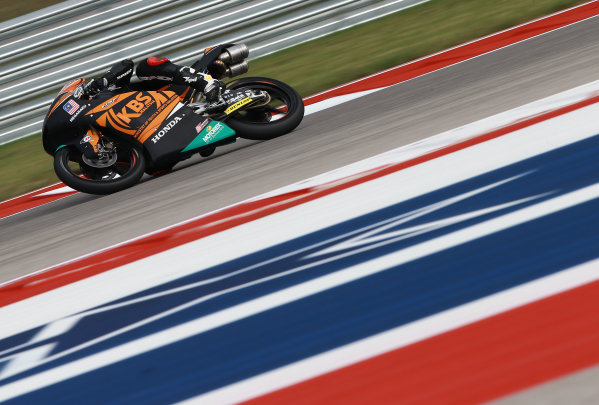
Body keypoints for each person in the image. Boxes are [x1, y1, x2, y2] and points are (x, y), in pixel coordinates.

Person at [81, 57, 225, 102]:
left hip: (169, 89)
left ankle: (205, 81)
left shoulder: (111, 91)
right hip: (163, 122)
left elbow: (126, 64)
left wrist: (102, 81)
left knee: (144, 68)